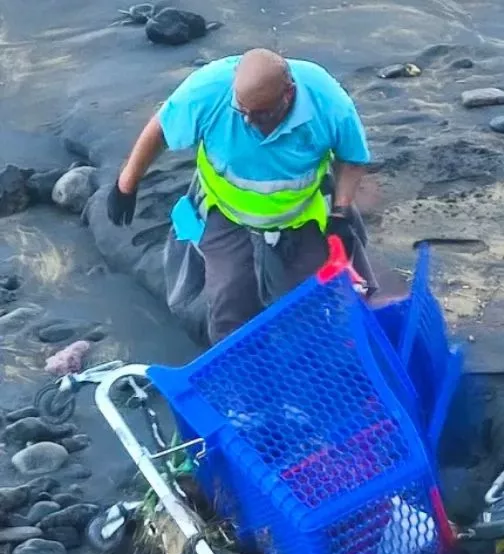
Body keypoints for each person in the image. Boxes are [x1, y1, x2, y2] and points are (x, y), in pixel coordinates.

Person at [107, 48, 377, 343]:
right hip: (228, 213)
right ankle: (236, 375)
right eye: (242, 110)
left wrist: (340, 211)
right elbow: (160, 128)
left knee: (308, 302)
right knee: (230, 299)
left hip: (300, 213)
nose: (248, 121)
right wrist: (126, 185)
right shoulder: (208, 89)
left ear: (289, 93)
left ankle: (307, 362)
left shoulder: (326, 99)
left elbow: (352, 158)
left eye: (260, 113)